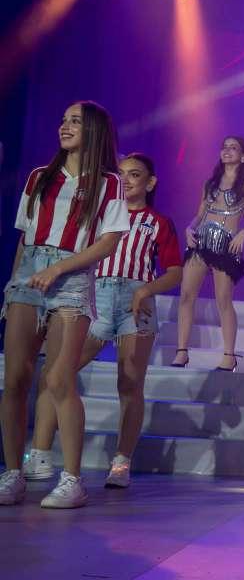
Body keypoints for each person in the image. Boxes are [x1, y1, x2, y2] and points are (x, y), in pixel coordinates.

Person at [23, 153, 183, 490]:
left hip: (135, 303)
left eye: (135, 174)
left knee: (130, 383)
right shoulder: (98, 214)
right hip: (96, 297)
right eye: (121, 173)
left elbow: (174, 272)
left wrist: (146, 290)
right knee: (57, 373)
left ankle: (121, 462)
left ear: (150, 183)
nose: (126, 180)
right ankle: (38, 453)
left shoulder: (157, 222)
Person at [1, 102, 128, 509]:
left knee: (58, 379)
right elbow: (25, 238)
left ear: (94, 131)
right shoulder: (40, 176)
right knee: (15, 378)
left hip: (72, 275)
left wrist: (58, 269)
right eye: (63, 120)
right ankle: (13, 473)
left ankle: (72, 479)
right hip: (29, 274)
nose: (65, 126)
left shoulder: (109, 183)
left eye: (75, 121)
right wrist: (14, 285)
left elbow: (108, 243)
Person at [174, 136, 244, 371]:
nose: (227, 150)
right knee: (186, 296)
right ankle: (181, 353)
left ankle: (229, 356)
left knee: (223, 300)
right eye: (224, 147)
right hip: (200, 242)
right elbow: (200, 214)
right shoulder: (210, 183)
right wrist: (189, 228)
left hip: (226, 246)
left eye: (233, 148)